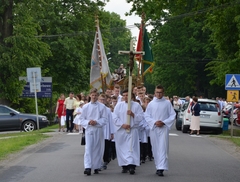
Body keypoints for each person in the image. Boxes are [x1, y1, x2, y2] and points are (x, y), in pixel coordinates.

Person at [144, 85, 176, 177]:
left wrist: (164, 122)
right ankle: (158, 165)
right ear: (154, 93)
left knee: (163, 148)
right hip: (154, 128)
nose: (158, 94)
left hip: (163, 128)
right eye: (157, 92)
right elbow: (147, 115)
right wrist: (154, 122)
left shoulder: (167, 103)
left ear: (163, 93)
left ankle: (161, 168)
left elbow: (172, 115)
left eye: (160, 92)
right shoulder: (151, 104)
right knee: (155, 147)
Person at [112, 89, 144, 175]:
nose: (126, 97)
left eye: (127, 95)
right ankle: (124, 166)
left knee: (131, 148)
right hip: (121, 130)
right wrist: (122, 125)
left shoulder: (136, 105)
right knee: (122, 148)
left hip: (132, 130)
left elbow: (141, 117)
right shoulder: (119, 105)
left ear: (131, 96)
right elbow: (114, 117)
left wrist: (133, 114)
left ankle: (131, 165)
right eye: (124, 95)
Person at [80, 88, 108, 176]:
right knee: (88, 148)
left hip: (98, 129)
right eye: (92, 95)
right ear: (90, 95)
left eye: (96, 95)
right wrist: (88, 122)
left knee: (98, 148)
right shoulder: (85, 107)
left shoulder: (102, 107)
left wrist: (97, 122)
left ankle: (96, 166)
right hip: (89, 129)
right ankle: (87, 167)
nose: (94, 97)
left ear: (98, 96)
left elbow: (105, 119)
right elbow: (81, 119)